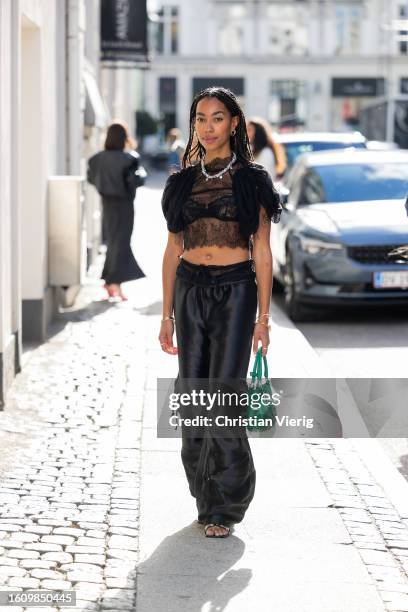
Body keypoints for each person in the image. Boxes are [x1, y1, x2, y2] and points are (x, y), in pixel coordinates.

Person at [159, 87, 282, 538]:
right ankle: (203, 492)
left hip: (235, 290)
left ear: (234, 123)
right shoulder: (182, 182)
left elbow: (263, 253)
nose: (207, 128)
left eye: (216, 118)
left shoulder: (252, 181)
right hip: (190, 290)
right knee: (193, 395)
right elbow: (173, 251)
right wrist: (166, 314)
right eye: (200, 119)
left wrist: (263, 318)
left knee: (224, 398)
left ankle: (225, 506)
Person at [87, 120, 145, 301]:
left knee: (114, 243)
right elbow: (136, 181)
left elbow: (91, 179)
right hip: (124, 205)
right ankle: (114, 283)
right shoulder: (130, 159)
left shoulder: (96, 159)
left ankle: (110, 281)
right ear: (124, 138)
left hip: (107, 204)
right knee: (121, 243)